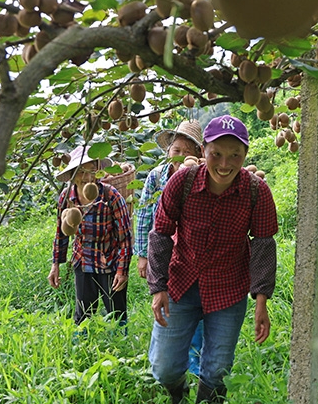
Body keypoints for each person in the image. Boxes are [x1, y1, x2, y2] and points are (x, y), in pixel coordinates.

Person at [147, 115, 278, 403]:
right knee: (164, 367)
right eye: (216, 154)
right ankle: (177, 392)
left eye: (235, 155)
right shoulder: (183, 180)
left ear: (245, 155)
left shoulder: (256, 191)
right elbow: (161, 232)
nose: (224, 164)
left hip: (228, 288)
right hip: (181, 283)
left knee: (217, 370)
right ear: (203, 151)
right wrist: (158, 287)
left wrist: (261, 302)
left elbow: (264, 243)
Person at [135, 120, 205, 376]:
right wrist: (143, 255)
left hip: (192, 256)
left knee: (195, 309)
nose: (181, 156)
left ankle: (195, 365)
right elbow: (144, 215)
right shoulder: (156, 176)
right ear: (168, 153)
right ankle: (167, 365)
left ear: (198, 154)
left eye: (188, 151)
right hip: (164, 253)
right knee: (167, 306)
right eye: (176, 150)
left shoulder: (203, 175)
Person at [48, 145, 132, 326]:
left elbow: (125, 237)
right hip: (83, 261)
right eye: (81, 172)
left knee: (116, 316)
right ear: (72, 174)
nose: (87, 177)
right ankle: (83, 346)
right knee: (83, 315)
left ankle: (120, 345)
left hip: (109, 262)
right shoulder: (66, 198)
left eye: (92, 171)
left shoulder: (111, 196)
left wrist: (122, 271)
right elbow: (60, 233)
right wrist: (56, 265)